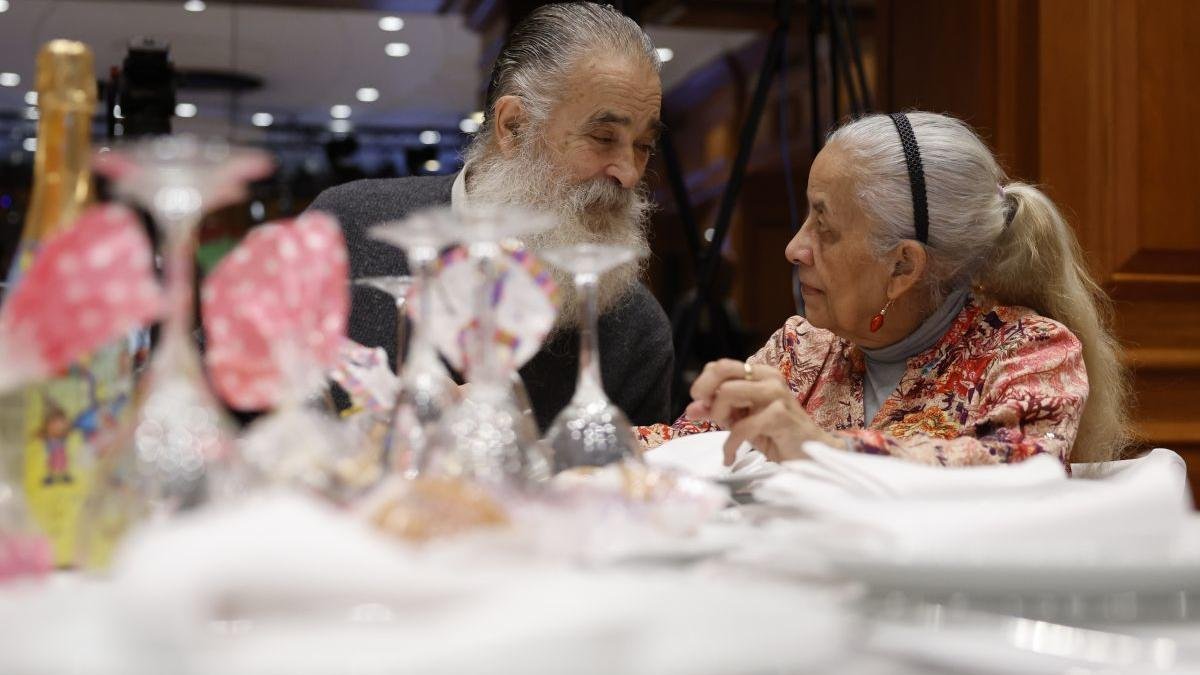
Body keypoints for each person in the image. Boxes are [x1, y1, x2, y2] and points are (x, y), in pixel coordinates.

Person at [640, 112, 1130, 468]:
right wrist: (607, 441)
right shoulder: (801, 348)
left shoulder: (1032, 351)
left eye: (824, 228)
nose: (793, 248)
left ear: (902, 266)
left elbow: (1015, 470)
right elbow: (688, 445)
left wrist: (822, 447)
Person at [310, 3, 672, 430]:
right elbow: (250, 411)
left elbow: (636, 470)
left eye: (643, 146)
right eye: (603, 137)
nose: (630, 173)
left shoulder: (637, 330)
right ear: (513, 126)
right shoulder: (348, 231)